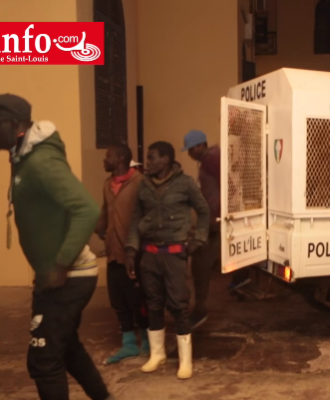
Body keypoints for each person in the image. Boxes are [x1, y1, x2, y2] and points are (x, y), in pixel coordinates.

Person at [0, 93, 114, 400]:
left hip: (69, 277)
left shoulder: (40, 162)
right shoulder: (21, 155)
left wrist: (61, 264)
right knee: (67, 348)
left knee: (44, 360)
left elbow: (87, 209)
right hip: (55, 276)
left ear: (14, 124)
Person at [125, 141, 210, 380]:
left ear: (166, 160)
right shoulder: (144, 185)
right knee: (153, 304)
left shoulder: (185, 184)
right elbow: (135, 220)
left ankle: (185, 361)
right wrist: (131, 251)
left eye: (152, 158)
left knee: (179, 306)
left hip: (174, 256)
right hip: (149, 255)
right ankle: (158, 354)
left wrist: (198, 239)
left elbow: (204, 211)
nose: (147, 162)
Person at [96, 145, 150, 365]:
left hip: (134, 253)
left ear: (119, 159)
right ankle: (129, 344)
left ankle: (148, 343)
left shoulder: (140, 183)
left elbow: (148, 214)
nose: (104, 159)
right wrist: (101, 230)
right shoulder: (108, 184)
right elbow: (105, 212)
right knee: (118, 300)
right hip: (113, 253)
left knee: (138, 299)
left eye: (107, 156)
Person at [181, 130, 222, 328]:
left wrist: (215, 211)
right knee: (200, 265)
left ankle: (200, 311)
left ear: (199, 146)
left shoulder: (213, 159)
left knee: (200, 265)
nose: (189, 154)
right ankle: (199, 309)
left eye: (190, 150)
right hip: (212, 220)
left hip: (215, 221)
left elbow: (228, 183)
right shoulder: (209, 159)